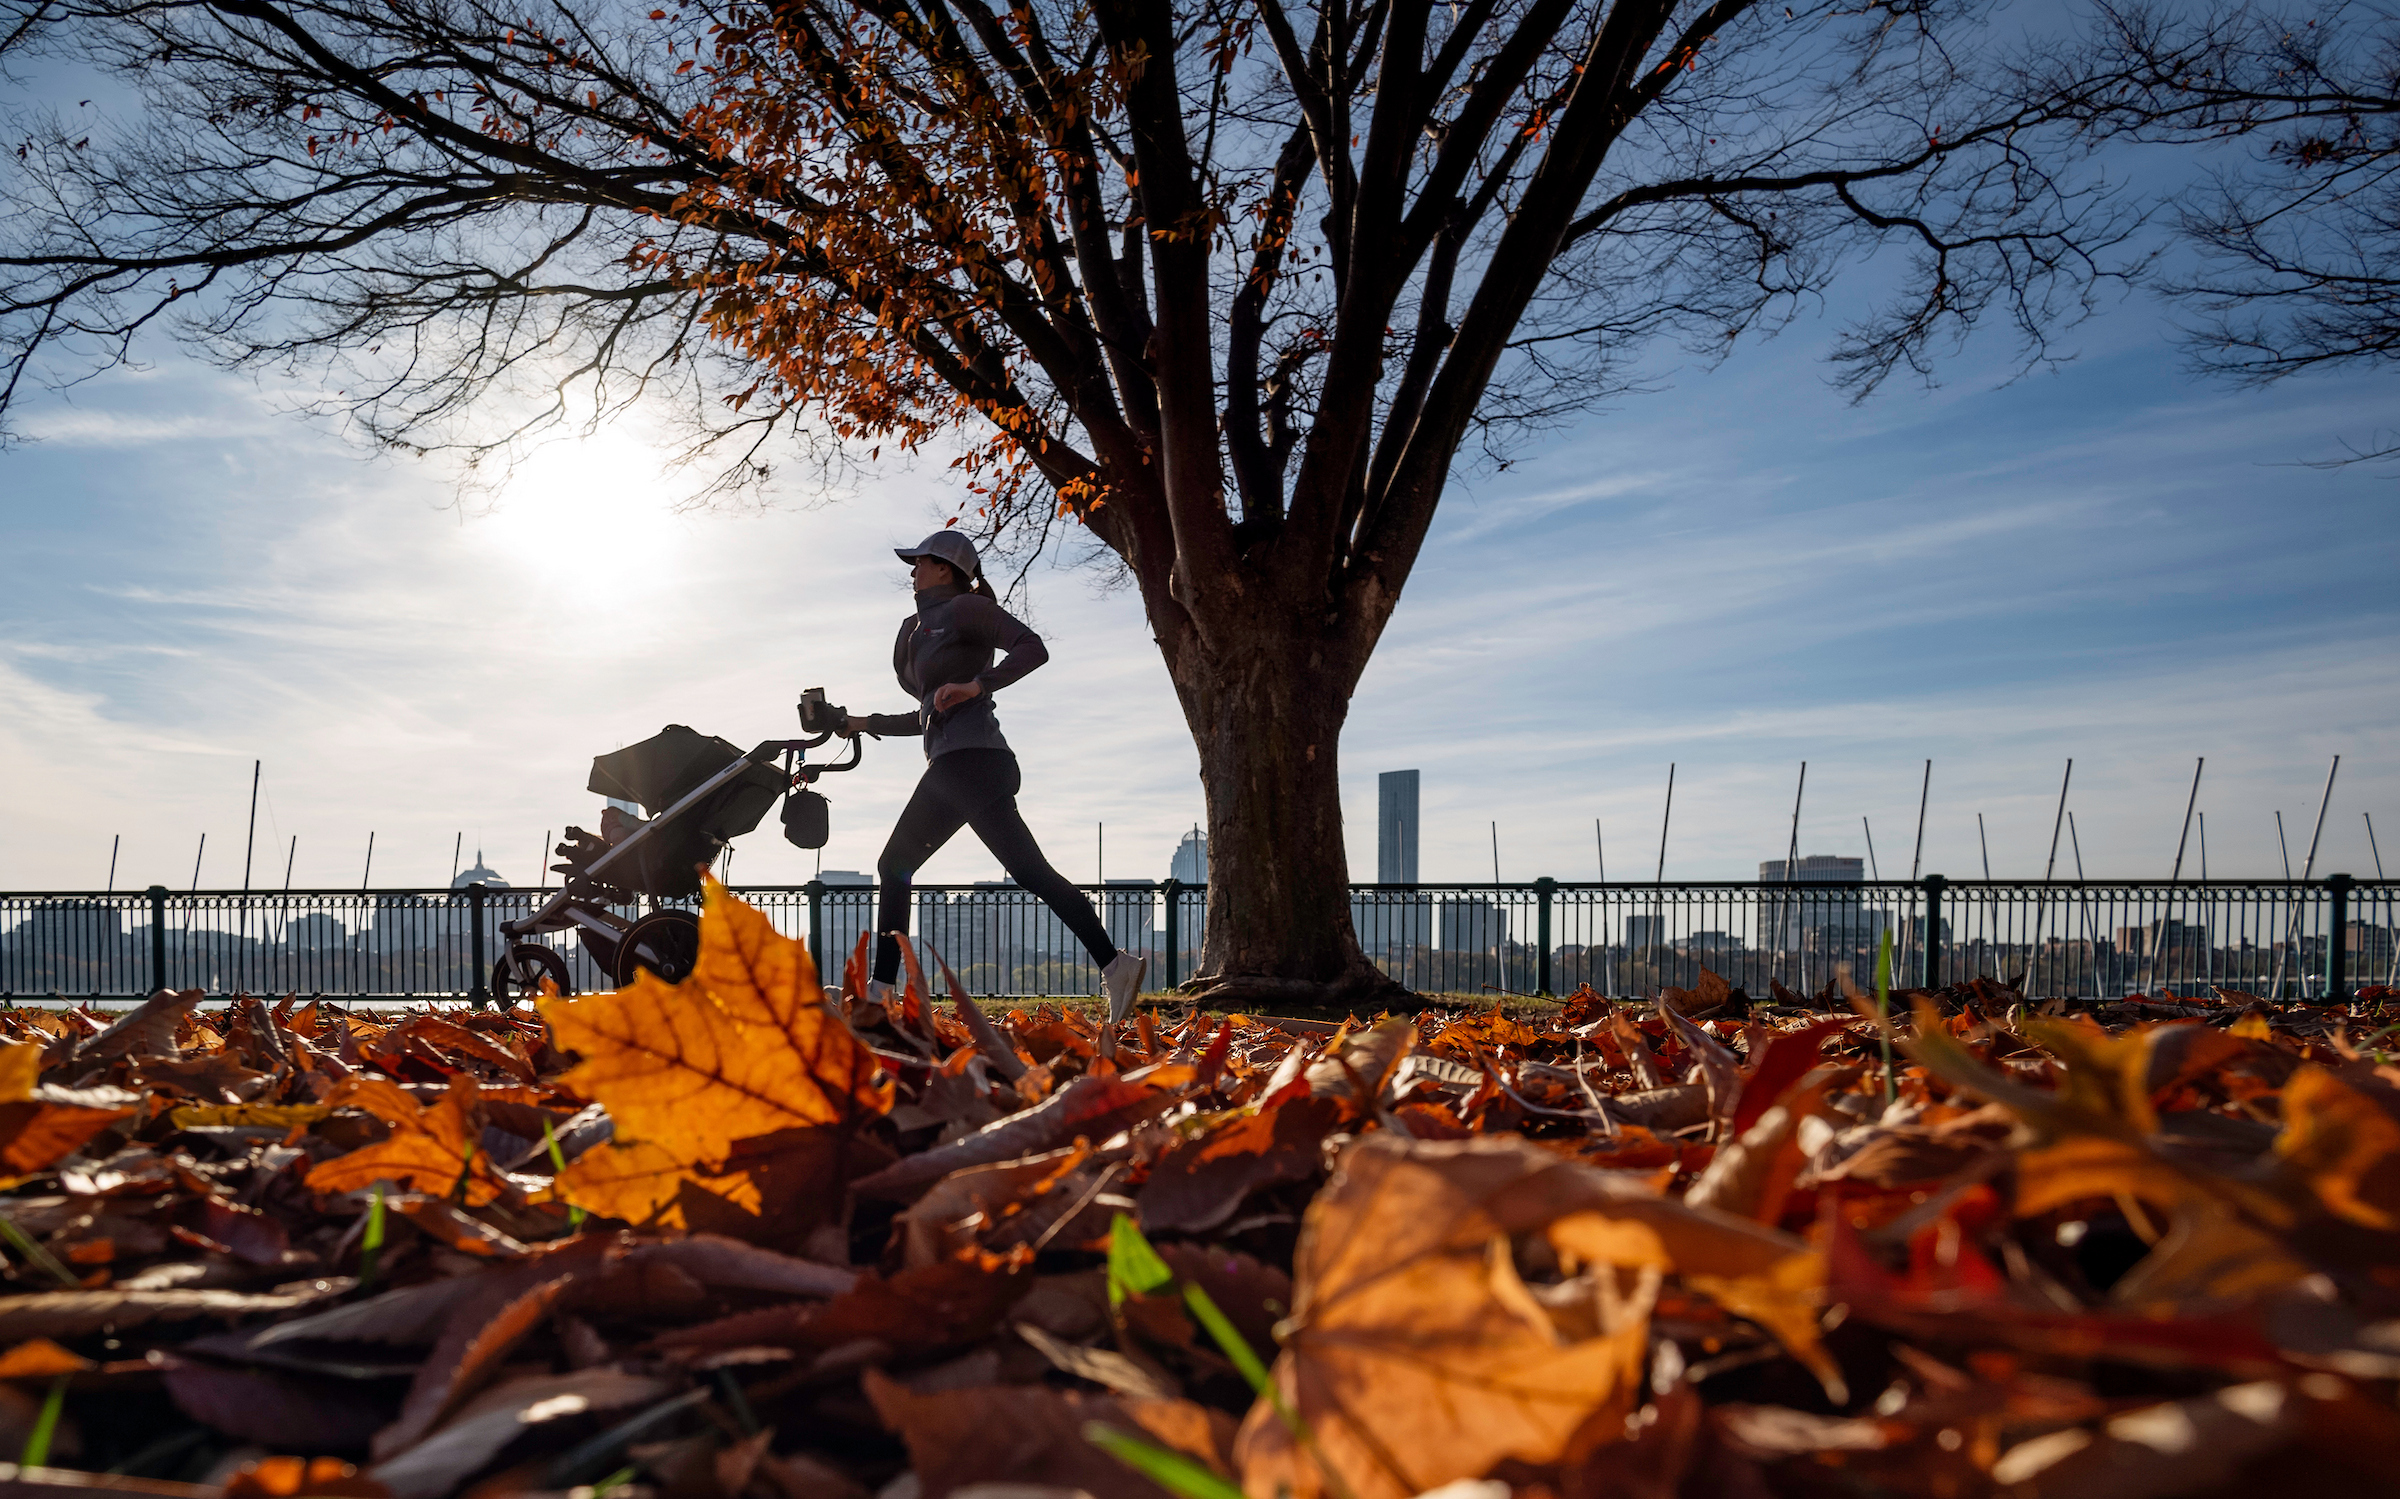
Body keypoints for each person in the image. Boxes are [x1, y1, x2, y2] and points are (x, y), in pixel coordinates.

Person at [837, 530, 1146, 1020]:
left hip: (972, 761)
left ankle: (879, 992)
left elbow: (1032, 648)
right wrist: (857, 723)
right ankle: (1116, 964)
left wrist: (979, 684)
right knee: (1031, 872)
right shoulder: (917, 627)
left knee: (895, 862)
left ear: (944, 568)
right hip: (970, 765)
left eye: (919, 562)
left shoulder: (967, 608)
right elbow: (924, 714)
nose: (912, 570)